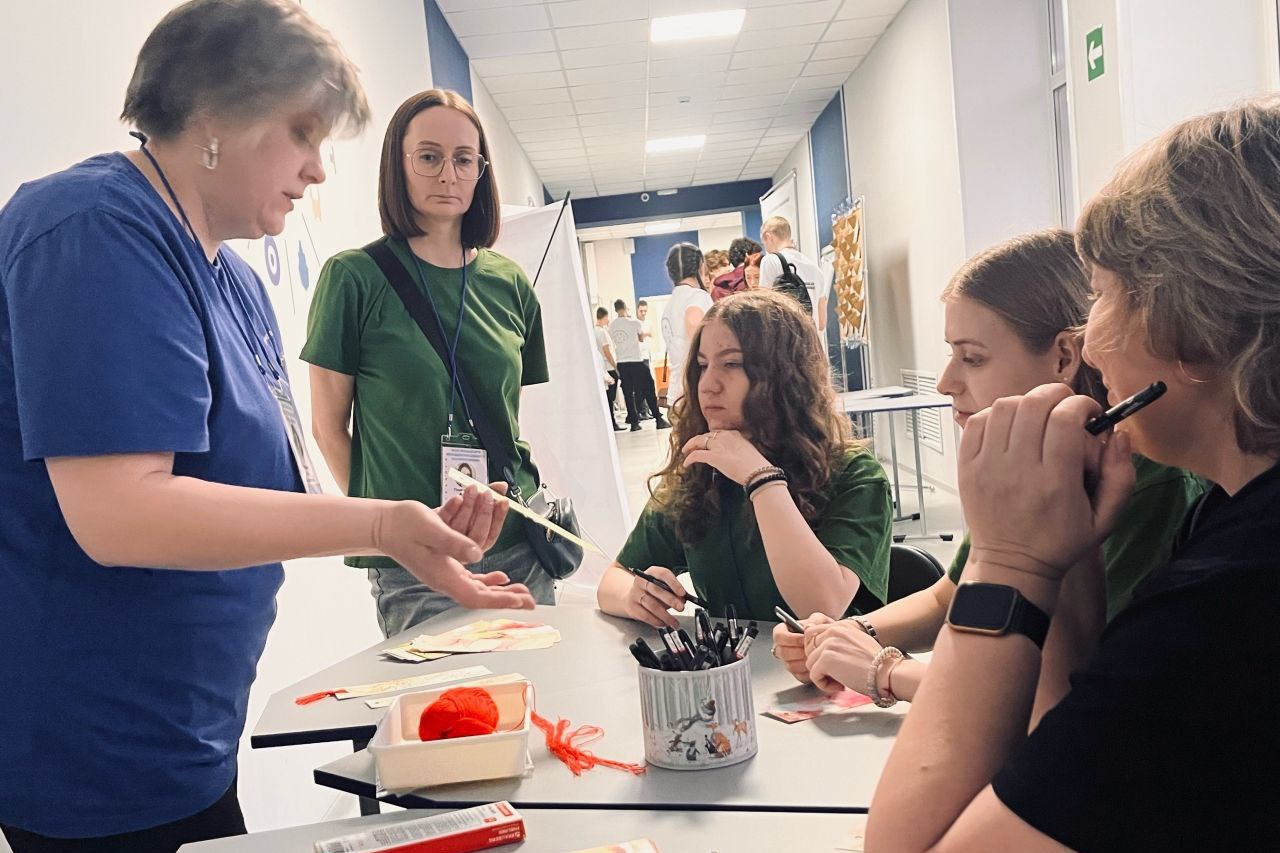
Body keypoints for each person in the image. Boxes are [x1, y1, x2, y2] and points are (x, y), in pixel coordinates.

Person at [0, 3, 532, 851]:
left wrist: (413, 529)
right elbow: (118, 513)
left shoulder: (236, 281)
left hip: (190, 729)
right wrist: (381, 524)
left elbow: (266, 491)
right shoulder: (93, 228)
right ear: (217, 113)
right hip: (94, 744)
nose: (318, 170)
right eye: (303, 134)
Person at [867, 99, 1280, 850]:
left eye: (1102, 295)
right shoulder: (1229, 514)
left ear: (1191, 325)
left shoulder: (1234, 601)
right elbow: (1067, 754)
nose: (1087, 340)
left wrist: (1010, 565)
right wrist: (1063, 552)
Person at [774, 229, 1205, 705]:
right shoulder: (1028, 466)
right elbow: (948, 597)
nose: (945, 382)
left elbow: (1075, 693)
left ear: (1065, 355)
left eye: (973, 358)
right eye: (952, 354)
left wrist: (886, 671)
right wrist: (846, 635)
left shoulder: (1146, 484)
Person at [304, 88, 554, 639]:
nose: (448, 174)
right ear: (398, 164)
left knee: (536, 688)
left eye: (464, 159)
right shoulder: (353, 278)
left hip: (518, 542)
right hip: (415, 562)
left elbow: (507, 418)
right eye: (429, 156)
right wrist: (385, 528)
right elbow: (327, 428)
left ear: (481, 172)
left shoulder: (509, 283)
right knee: (444, 694)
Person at [597, 290, 893, 625]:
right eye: (703, 366)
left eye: (732, 364)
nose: (708, 385)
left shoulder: (854, 475)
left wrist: (762, 480)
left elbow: (821, 607)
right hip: (733, 658)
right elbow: (613, 580)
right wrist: (634, 596)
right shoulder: (703, 471)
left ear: (785, 375)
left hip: (825, 659)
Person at [659, 242, 713, 407]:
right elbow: (693, 322)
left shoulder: (670, 304)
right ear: (700, 266)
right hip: (694, 389)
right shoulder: (697, 296)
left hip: (676, 393)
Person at [759, 216, 828, 331]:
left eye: (764, 243)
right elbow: (821, 323)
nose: (766, 249)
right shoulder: (815, 269)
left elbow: (764, 309)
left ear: (768, 236)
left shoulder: (770, 261)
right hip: (812, 338)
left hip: (786, 338)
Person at [611, 299, 669, 431]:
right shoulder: (634, 323)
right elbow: (641, 338)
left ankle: (634, 423)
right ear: (625, 308)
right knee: (648, 389)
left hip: (621, 364)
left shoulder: (611, 326)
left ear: (615, 309)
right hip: (636, 361)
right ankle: (658, 419)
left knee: (628, 394)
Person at [595, 306, 624, 431]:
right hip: (609, 367)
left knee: (607, 398)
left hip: (602, 368)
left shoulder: (594, 331)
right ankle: (612, 423)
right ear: (605, 317)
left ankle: (610, 422)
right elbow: (606, 351)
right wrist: (615, 366)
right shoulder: (602, 332)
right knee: (610, 398)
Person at [636, 299, 655, 419]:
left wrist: (645, 334)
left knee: (648, 384)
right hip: (638, 357)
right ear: (637, 310)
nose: (643, 313)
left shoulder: (648, 322)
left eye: (645, 311)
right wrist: (644, 334)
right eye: (641, 311)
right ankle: (642, 411)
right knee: (641, 386)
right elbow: (639, 337)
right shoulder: (635, 323)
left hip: (647, 355)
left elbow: (650, 334)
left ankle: (647, 410)